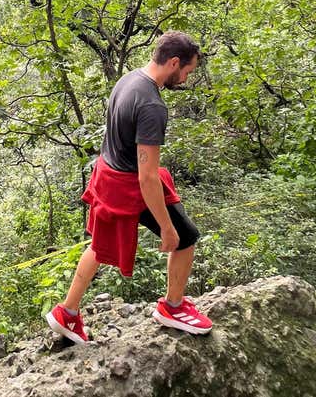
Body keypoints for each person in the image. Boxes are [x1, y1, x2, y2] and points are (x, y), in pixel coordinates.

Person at [45, 31, 213, 344]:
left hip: (107, 174)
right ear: (174, 62)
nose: (186, 78)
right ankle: (172, 308)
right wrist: (166, 228)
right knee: (185, 237)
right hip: (128, 185)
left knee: (97, 247)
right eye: (187, 71)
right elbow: (147, 177)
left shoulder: (130, 79)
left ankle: (66, 312)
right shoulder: (152, 106)